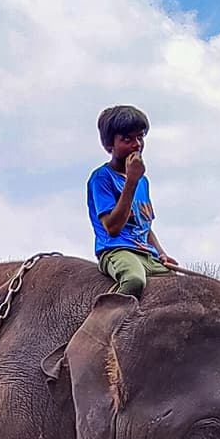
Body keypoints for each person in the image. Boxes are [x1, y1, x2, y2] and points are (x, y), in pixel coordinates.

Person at [88, 104, 177, 298]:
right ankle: (104, 325)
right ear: (109, 144)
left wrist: (161, 253)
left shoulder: (143, 181)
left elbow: (145, 226)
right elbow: (112, 228)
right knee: (134, 280)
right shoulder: (102, 178)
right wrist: (131, 181)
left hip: (146, 253)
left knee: (178, 285)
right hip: (116, 251)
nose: (136, 144)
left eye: (140, 137)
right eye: (127, 139)